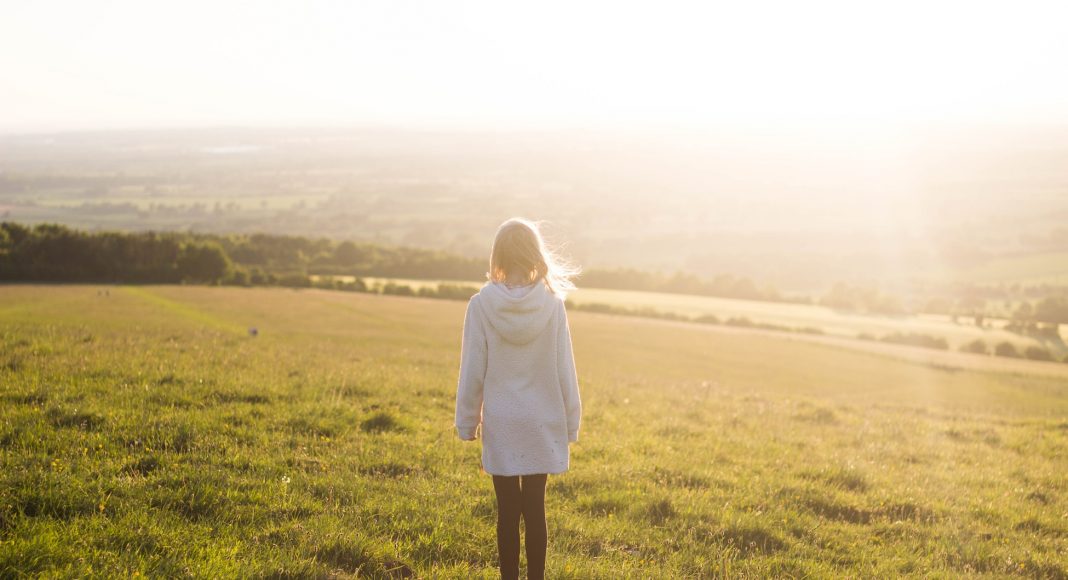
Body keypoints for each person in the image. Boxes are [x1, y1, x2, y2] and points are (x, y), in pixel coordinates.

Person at [455, 217, 582, 580]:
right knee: (535, 508)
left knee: (507, 511)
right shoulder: (553, 305)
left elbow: (472, 370)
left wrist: (467, 421)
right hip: (542, 421)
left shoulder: (480, 306)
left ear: (498, 256)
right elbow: (565, 370)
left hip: (503, 421)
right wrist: (571, 422)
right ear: (534, 256)